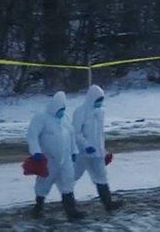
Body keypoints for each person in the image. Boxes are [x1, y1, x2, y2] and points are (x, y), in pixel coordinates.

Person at [27, 91, 85, 220]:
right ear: (54, 107)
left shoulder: (65, 119)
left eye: (64, 109)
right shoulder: (41, 119)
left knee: (67, 184)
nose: (62, 111)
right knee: (44, 184)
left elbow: (71, 136)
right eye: (60, 109)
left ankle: (71, 211)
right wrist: (36, 151)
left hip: (66, 160)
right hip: (49, 160)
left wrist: (74, 151)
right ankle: (38, 208)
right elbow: (32, 136)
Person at [72, 85, 124, 212]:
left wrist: (103, 150)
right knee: (73, 176)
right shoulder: (80, 112)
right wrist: (85, 146)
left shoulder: (100, 112)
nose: (99, 103)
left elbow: (100, 134)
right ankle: (69, 204)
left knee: (101, 177)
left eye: (101, 100)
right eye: (97, 100)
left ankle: (108, 204)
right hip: (83, 153)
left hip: (97, 154)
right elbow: (75, 132)